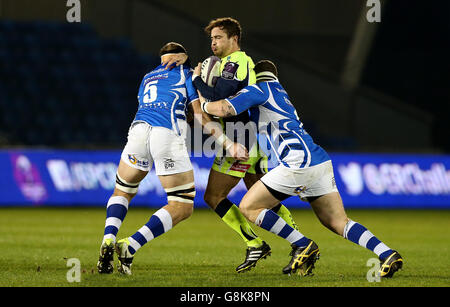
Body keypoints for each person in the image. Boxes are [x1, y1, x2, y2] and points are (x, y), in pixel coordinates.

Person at [198, 59, 404, 278]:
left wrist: (201, 102)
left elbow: (224, 108)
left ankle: (302, 244)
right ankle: (387, 253)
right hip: (319, 160)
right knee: (337, 221)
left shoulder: (260, 89)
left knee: (249, 207)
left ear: (255, 76)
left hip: (297, 160)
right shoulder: (280, 92)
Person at [96, 42, 244, 275]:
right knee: (181, 205)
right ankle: (130, 245)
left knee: (122, 191)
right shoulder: (186, 74)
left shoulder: (147, 77)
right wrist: (228, 143)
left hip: (137, 131)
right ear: (183, 58)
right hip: (164, 134)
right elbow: (199, 115)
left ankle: (107, 238)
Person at [188, 17, 300, 273]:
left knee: (214, 196)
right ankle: (299, 242)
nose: (213, 43)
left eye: (218, 37)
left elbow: (220, 96)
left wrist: (197, 81)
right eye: (212, 38)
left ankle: (254, 242)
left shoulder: (237, 62)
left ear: (233, 38)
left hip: (240, 139)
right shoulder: (225, 63)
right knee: (263, 197)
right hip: (251, 137)